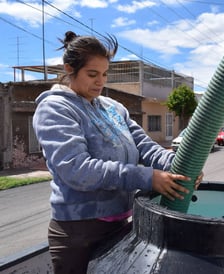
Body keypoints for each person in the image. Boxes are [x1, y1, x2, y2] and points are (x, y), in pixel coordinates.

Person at [32, 31, 203, 274]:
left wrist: (180, 166)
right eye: (92, 74)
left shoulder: (114, 108)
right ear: (69, 68)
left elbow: (146, 147)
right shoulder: (55, 108)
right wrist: (147, 177)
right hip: (78, 233)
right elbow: (76, 170)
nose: (100, 82)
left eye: (104, 74)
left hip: (121, 224)